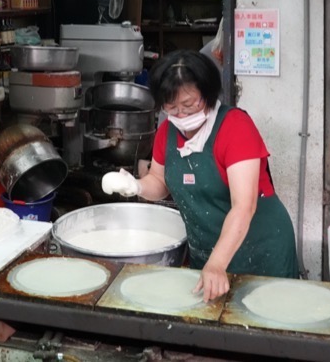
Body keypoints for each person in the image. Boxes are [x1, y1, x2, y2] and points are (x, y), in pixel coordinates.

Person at [101, 50, 298, 300]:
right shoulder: (166, 132)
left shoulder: (235, 127)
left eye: (189, 104)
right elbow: (159, 182)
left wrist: (217, 263)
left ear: (208, 94)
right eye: (171, 107)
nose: (180, 115)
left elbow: (243, 207)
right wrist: (137, 186)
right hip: (208, 255)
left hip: (260, 251)